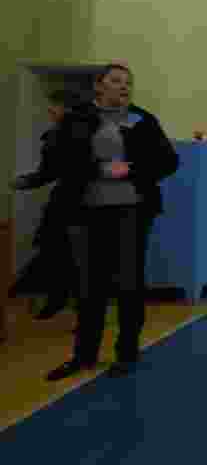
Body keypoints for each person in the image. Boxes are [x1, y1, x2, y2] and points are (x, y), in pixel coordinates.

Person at [45, 63, 180, 381]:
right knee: (89, 286)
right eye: (116, 81)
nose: (124, 87)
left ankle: (127, 353)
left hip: (132, 212)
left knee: (129, 285)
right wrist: (99, 170)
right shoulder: (77, 118)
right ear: (99, 86)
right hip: (87, 213)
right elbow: (59, 161)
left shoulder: (143, 120)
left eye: (128, 83)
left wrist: (132, 169)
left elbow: (168, 161)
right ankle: (84, 355)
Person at [8, 91, 81, 320]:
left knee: (68, 253)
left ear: (67, 108)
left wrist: (27, 181)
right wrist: (27, 181)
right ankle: (58, 299)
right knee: (57, 250)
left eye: (55, 106)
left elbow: (49, 172)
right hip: (70, 201)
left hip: (79, 203)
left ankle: (69, 303)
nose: (50, 110)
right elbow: (49, 171)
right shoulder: (57, 134)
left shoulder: (74, 133)